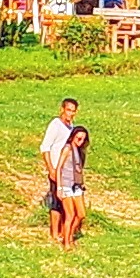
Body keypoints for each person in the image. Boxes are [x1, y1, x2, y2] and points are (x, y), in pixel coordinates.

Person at [40, 95, 92, 248]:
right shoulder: (56, 125)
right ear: (62, 109)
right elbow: (45, 147)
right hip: (57, 168)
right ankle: (55, 233)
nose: (70, 113)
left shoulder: (71, 127)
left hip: (68, 173)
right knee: (57, 202)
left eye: (73, 111)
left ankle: (65, 232)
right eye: (68, 110)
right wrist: (51, 168)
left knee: (66, 205)